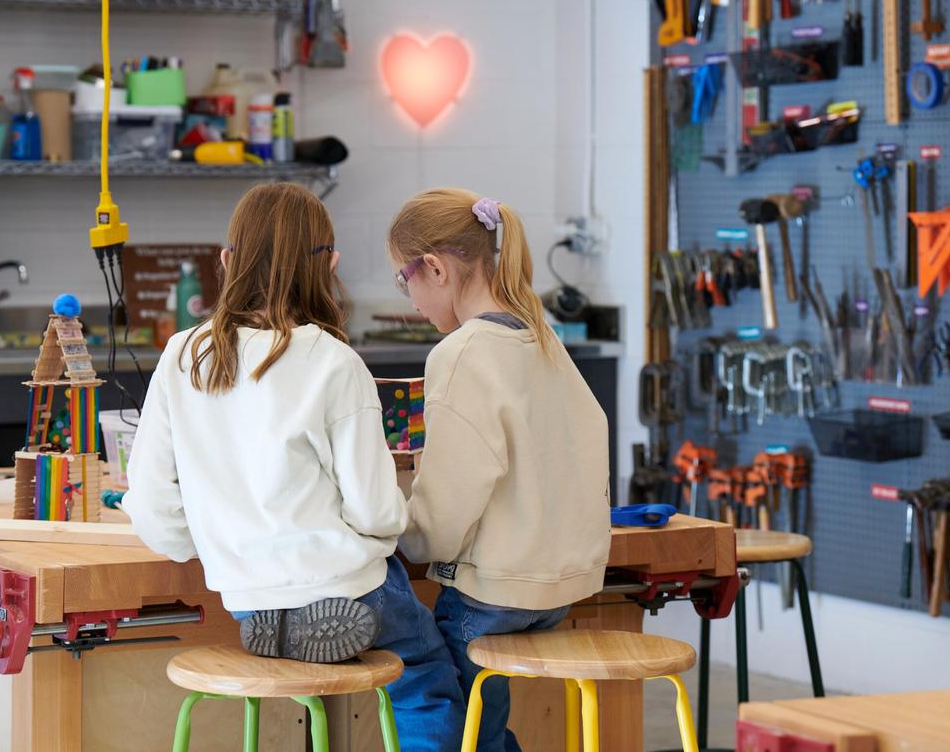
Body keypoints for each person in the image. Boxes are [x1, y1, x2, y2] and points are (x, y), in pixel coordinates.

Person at [123, 182, 465, 751]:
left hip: (248, 593)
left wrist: (213, 543)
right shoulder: (332, 360)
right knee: (427, 680)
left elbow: (153, 501)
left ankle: (279, 624)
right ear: (329, 265)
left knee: (307, 615)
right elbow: (377, 510)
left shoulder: (183, 354)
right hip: (344, 587)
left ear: (228, 261)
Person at [387, 187, 612, 752]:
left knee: (454, 727)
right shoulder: (540, 336)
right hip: (557, 588)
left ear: (434, 268)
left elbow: (445, 509)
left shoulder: (463, 352)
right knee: (484, 731)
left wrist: (406, 536)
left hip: (490, 596)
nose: (408, 297)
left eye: (403, 278)